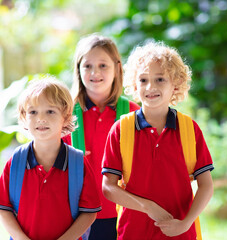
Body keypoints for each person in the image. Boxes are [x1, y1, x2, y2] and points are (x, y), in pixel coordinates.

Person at [101, 41, 214, 239]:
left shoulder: (189, 129)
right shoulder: (121, 130)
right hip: (132, 233)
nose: (150, 86)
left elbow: (206, 185)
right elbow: (108, 187)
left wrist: (186, 223)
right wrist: (148, 207)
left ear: (175, 85)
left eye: (160, 79)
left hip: (180, 232)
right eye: (143, 80)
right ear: (135, 85)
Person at [0, 76, 101, 240]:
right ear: (23, 117)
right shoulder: (16, 162)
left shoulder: (78, 163)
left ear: (65, 117)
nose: (41, 118)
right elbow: (2, 208)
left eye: (50, 111)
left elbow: (89, 212)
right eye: (33, 112)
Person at [63, 34, 140, 240]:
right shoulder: (63, 114)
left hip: (120, 215)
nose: (95, 72)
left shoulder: (134, 114)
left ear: (117, 68)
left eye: (103, 65)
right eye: (87, 66)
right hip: (73, 216)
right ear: (78, 69)